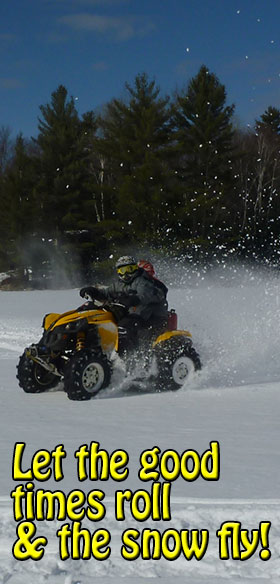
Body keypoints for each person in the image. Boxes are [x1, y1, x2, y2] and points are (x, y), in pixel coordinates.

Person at [80, 255, 168, 354]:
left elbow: (145, 294)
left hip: (147, 316)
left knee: (123, 328)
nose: (126, 273)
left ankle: (129, 356)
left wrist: (134, 299)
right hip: (130, 314)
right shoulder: (119, 284)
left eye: (129, 269)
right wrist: (94, 292)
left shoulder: (142, 281)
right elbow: (107, 293)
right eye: (122, 270)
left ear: (136, 268)